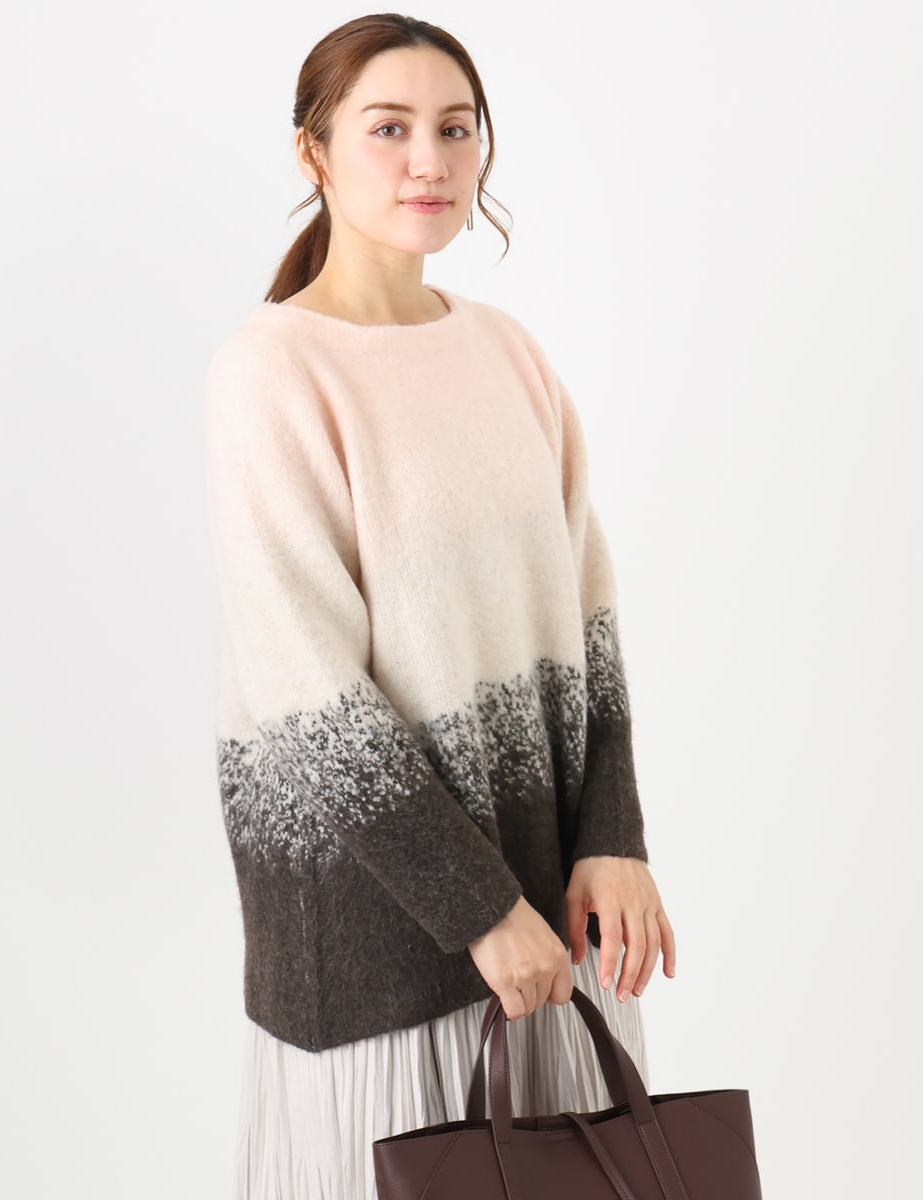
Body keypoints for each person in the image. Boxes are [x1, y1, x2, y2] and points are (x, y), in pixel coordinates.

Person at [202, 13, 676, 1200]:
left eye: (455, 129)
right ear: (313, 152)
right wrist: (479, 909)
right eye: (389, 128)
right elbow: (309, 696)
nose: (430, 160)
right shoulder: (272, 370)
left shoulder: (509, 353)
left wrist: (613, 836)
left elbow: (588, 621)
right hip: (384, 952)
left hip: (552, 925)